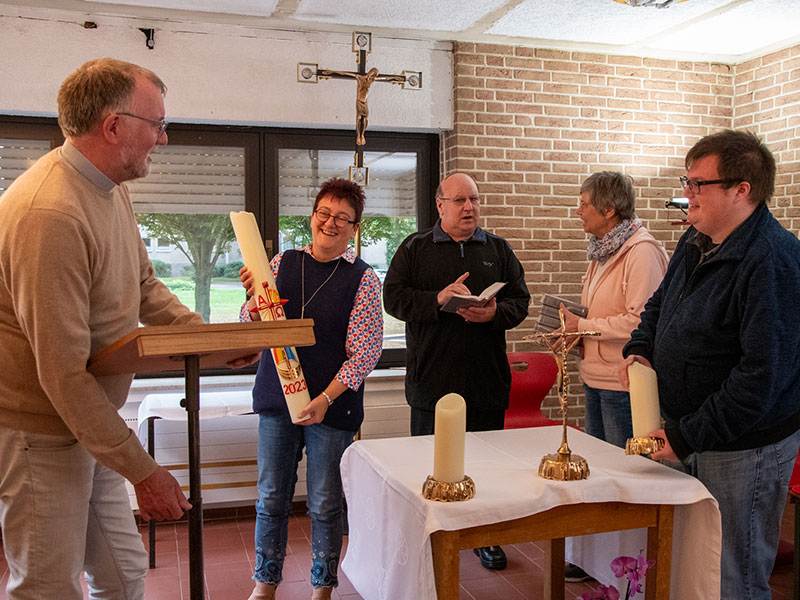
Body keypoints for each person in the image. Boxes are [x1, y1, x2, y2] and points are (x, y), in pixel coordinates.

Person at [0, 58, 221, 599]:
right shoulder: (49, 214)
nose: (163, 140)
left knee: (123, 578)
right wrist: (144, 472)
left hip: (92, 424)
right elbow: (62, 372)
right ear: (114, 125)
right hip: (43, 433)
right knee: (49, 588)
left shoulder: (111, 186)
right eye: (158, 125)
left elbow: (143, 284)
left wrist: (207, 341)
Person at [619, 130, 800, 600]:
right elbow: (658, 309)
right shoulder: (695, 241)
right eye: (688, 181)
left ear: (743, 189)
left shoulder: (774, 260)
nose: (688, 194)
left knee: (731, 575)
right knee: (688, 566)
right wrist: (639, 349)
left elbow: (760, 376)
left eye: (700, 184)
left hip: (744, 447)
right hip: (690, 430)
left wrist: (685, 436)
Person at [239, 178, 383, 600]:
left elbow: (365, 353)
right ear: (312, 216)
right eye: (324, 213)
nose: (330, 223)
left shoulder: (363, 279)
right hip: (276, 401)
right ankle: (265, 582)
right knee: (270, 497)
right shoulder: (282, 263)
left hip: (331, 409)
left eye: (342, 218)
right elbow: (253, 329)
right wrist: (251, 298)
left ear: (355, 228)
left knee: (324, 502)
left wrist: (323, 400)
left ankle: (323, 586)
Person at [383, 172, 530, 571]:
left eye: (475, 200)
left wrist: (494, 312)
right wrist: (438, 299)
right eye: (460, 200)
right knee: (428, 468)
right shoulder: (415, 248)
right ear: (440, 205)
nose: (469, 208)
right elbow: (393, 299)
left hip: (486, 382)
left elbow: (521, 301)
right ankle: (427, 538)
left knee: (486, 469)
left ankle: (487, 538)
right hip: (432, 382)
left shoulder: (498, 249)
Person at [557, 171, 668, 583]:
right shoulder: (601, 250)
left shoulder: (642, 252)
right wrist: (574, 324)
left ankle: (633, 562)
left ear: (609, 208)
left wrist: (583, 327)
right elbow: (600, 312)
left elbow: (642, 321)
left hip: (623, 382)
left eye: (584, 204)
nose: (578, 211)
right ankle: (601, 556)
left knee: (630, 476)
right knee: (601, 474)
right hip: (595, 374)